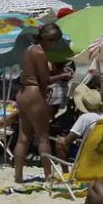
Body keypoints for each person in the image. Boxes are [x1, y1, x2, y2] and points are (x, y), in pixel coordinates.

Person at [13, 23, 63, 184]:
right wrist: (62, 76)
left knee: (23, 137)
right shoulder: (40, 52)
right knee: (43, 137)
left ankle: (18, 176)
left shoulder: (27, 50)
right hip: (34, 93)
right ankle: (49, 176)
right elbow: (45, 80)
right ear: (49, 39)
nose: (55, 45)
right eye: (55, 41)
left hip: (22, 93)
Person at [57, 86, 103, 159]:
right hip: (100, 154)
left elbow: (69, 139)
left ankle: (65, 170)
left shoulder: (84, 118)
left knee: (60, 142)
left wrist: (63, 138)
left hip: (85, 155)